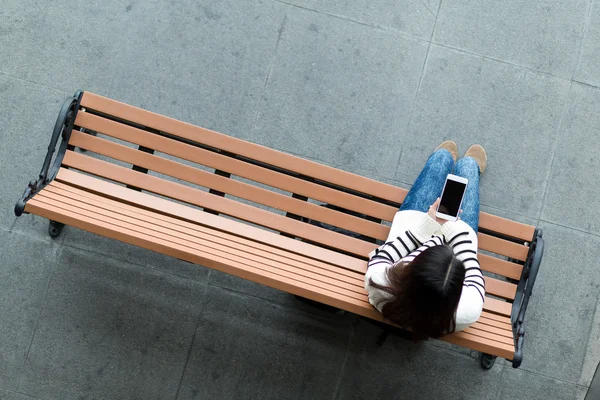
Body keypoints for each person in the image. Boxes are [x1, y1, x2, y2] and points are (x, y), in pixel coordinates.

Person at [365, 142, 487, 340]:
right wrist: (451, 229)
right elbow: (471, 266)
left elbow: (385, 254)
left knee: (441, 159)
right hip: (458, 233)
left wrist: (430, 224)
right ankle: (468, 164)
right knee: (468, 167)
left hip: (415, 224)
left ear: (412, 267)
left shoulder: (380, 284)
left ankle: (448, 158)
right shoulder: (467, 309)